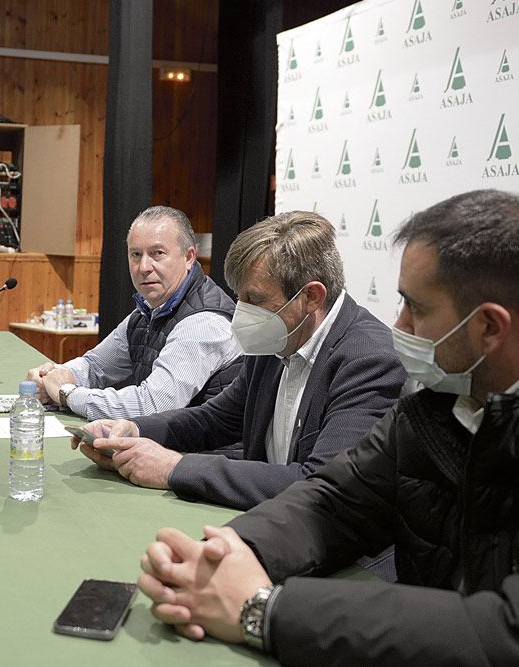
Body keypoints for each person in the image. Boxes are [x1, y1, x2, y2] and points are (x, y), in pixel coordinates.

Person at [135, 189, 519, 664]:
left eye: (415, 308)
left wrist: (264, 611)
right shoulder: (446, 399)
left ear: (490, 328)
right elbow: (336, 499)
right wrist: (232, 552)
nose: (398, 323)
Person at [76, 212, 406, 518]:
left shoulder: (370, 361)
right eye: (240, 297)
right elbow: (216, 419)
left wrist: (176, 468)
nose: (242, 312)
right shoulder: (277, 338)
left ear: (312, 297)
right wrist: (132, 429)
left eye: (255, 299)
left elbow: (320, 484)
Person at [26, 206, 242, 419]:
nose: (143, 266)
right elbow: (96, 365)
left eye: (157, 253)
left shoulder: (204, 322)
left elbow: (151, 405)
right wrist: (55, 376)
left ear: (189, 257)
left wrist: (67, 394)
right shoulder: (148, 311)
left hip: (207, 452)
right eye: (136, 254)